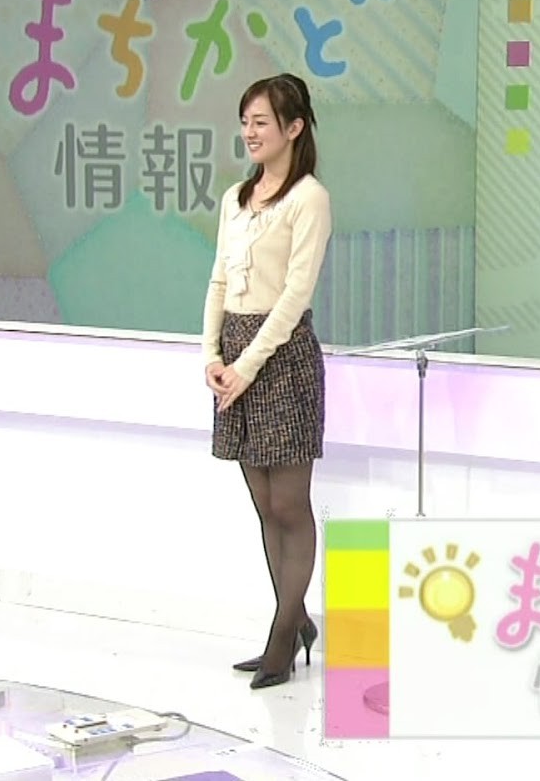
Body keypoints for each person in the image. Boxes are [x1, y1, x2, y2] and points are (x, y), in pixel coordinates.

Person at [202, 73, 333, 690]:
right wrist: (212, 354)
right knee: (262, 504)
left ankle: (282, 637)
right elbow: (219, 280)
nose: (250, 132)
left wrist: (246, 366)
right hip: (234, 358)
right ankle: (294, 618)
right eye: (245, 121)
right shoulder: (235, 198)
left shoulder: (309, 198)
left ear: (294, 128)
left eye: (261, 122)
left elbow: (294, 294)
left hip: (281, 358)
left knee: (288, 503)